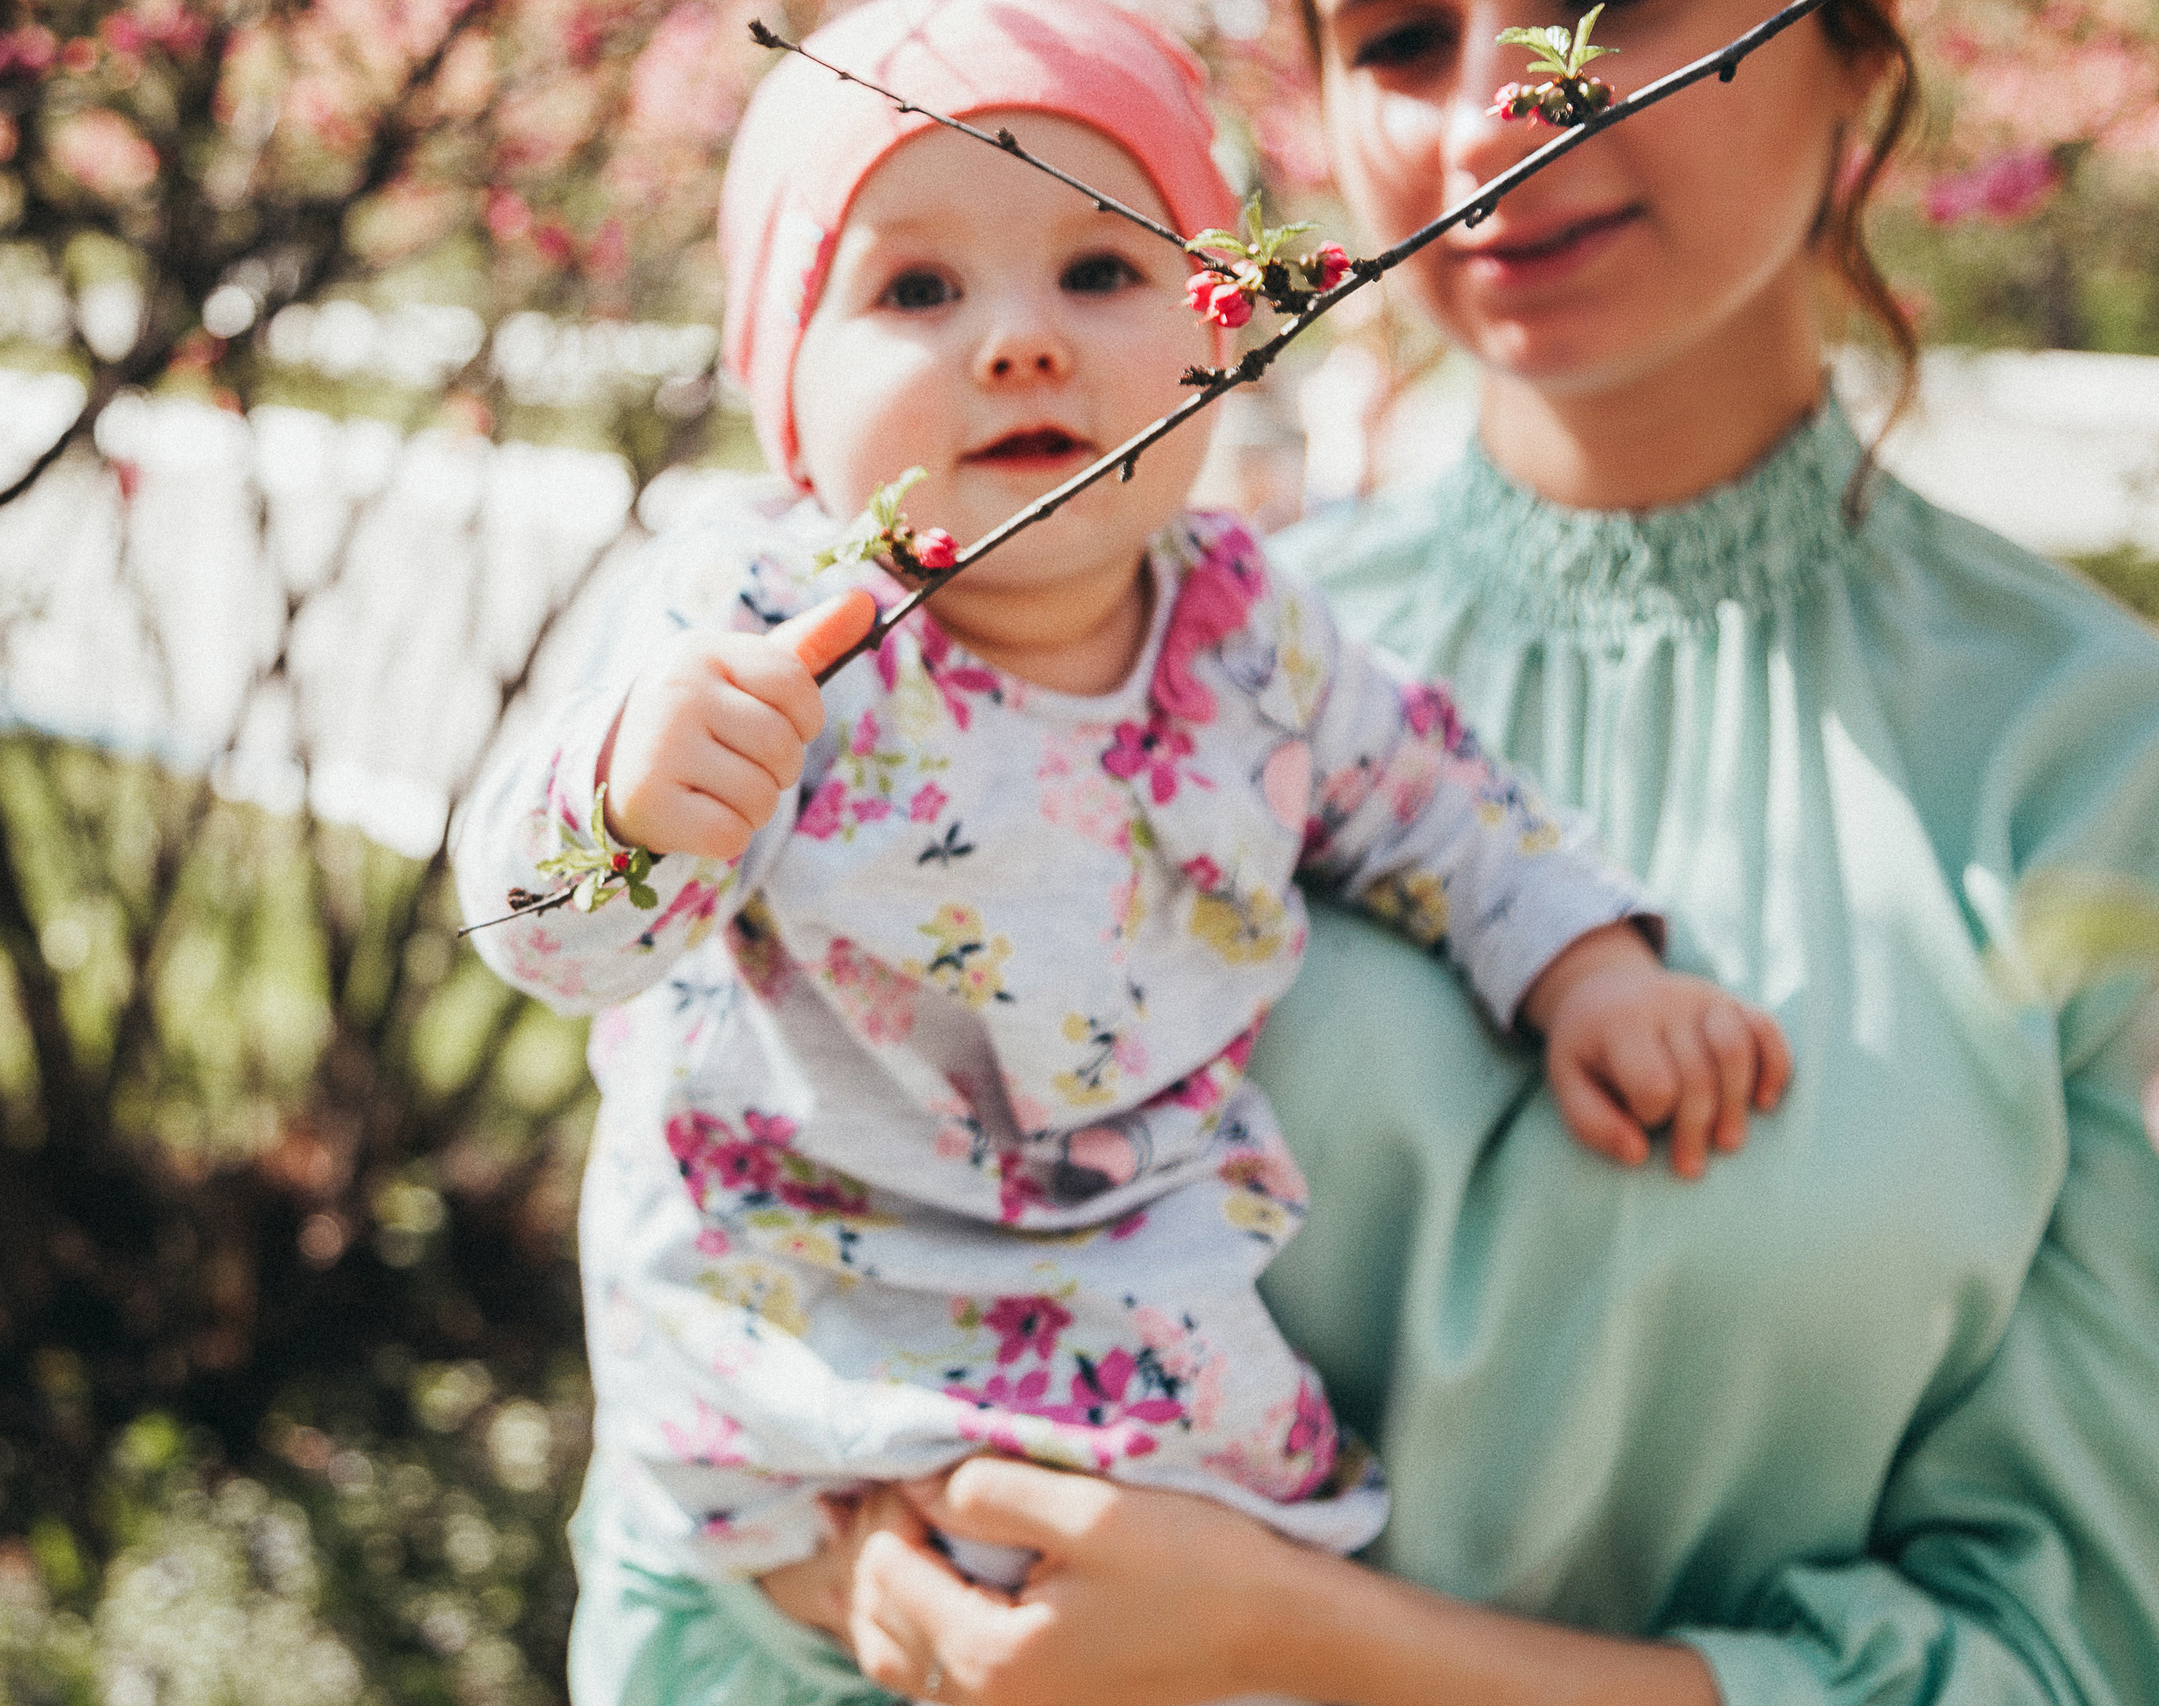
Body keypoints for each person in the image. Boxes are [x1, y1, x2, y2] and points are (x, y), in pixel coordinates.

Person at [791, 0, 2159, 1702]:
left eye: (1618, 3)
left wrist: (1293, 1637)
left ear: (1855, 52)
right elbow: (761, 1263)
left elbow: (2069, 1649)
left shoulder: (2105, 768)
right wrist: (854, 1571)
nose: (1491, 120)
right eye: (1403, 37)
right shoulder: (1158, 682)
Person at [452, 1, 1791, 1700]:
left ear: (1220, 328)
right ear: (784, 388)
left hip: (1110, 1320)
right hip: (789, 1334)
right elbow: (543, 927)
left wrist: (1593, 970)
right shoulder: (768, 632)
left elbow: (1440, 808)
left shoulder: (1249, 632)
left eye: (1103, 273)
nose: (1020, 342)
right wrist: (632, 802)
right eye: (916, 291)